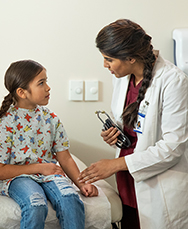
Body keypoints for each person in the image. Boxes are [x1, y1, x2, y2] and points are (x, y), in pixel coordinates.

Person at [78, 19, 188, 229]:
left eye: (109, 59)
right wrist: (114, 135)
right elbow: (130, 128)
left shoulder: (173, 81)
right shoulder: (121, 77)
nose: (105, 65)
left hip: (159, 184)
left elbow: (173, 147)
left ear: (130, 57)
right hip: (128, 182)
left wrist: (115, 165)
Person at [0, 60, 98, 229]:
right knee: (36, 204)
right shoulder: (6, 123)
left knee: (70, 198)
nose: (48, 87)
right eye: (41, 83)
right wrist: (40, 168)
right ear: (22, 92)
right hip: (17, 177)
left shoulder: (51, 119)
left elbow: (65, 158)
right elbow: (0, 172)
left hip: (48, 174)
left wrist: (81, 183)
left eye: (46, 81)